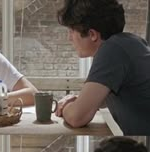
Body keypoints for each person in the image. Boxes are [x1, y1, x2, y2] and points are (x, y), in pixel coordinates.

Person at [55, 0, 150, 135]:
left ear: (93, 34)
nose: (69, 38)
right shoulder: (132, 42)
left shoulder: (112, 50)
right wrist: (79, 100)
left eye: (71, 31)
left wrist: (65, 107)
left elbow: (77, 117)